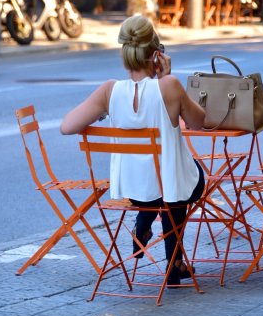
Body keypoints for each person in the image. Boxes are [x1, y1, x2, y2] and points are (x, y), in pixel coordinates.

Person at [60, 15, 205, 286]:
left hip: (132, 190)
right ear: (156, 53)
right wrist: (167, 76)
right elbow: (200, 122)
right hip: (170, 188)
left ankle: (144, 219)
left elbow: (67, 126)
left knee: (165, 185)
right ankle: (174, 264)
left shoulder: (109, 91)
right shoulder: (169, 86)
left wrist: (106, 112)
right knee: (184, 179)